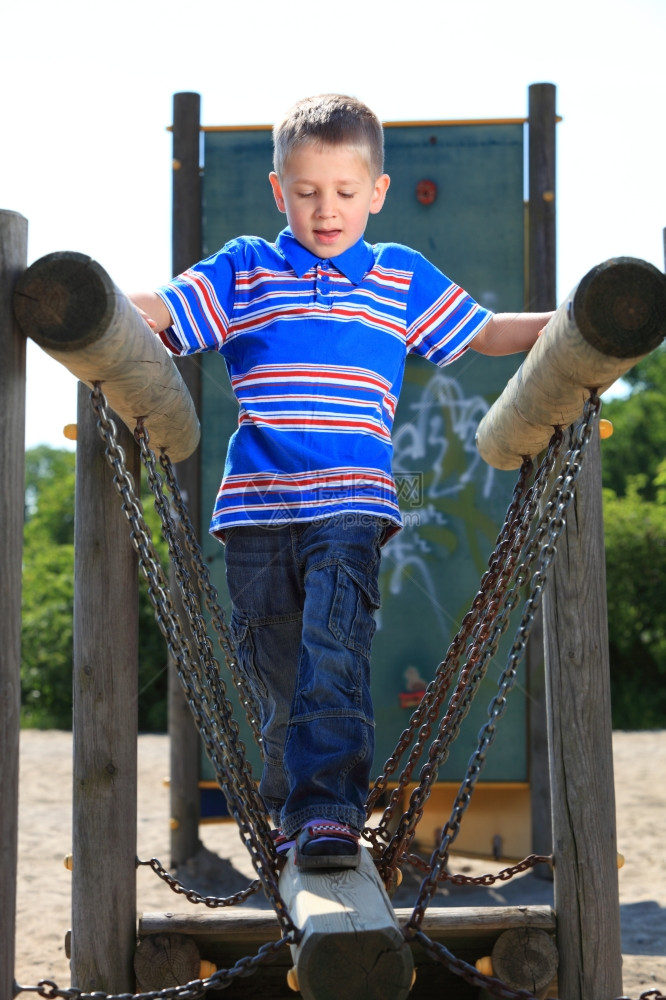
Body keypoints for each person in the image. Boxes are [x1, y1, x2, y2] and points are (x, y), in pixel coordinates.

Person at [131, 93, 552, 871]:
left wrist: (571, 324)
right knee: (280, 667)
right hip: (256, 511)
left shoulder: (398, 277)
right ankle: (295, 809)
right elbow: (164, 310)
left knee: (335, 647)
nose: (327, 211)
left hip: (351, 503)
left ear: (377, 193)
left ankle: (329, 812)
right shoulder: (247, 266)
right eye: (307, 192)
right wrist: (101, 308)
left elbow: (488, 333)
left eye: (346, 193)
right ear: (276, 190)